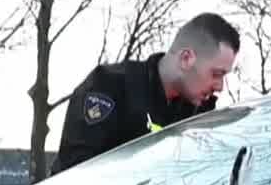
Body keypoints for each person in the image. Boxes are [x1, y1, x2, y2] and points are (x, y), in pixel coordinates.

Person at [49, 13, 240, 175]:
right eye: (216, 74)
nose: (220, 87)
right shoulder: (110, 87)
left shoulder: (199, 116)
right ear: (186, 59)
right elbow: (76, 176)